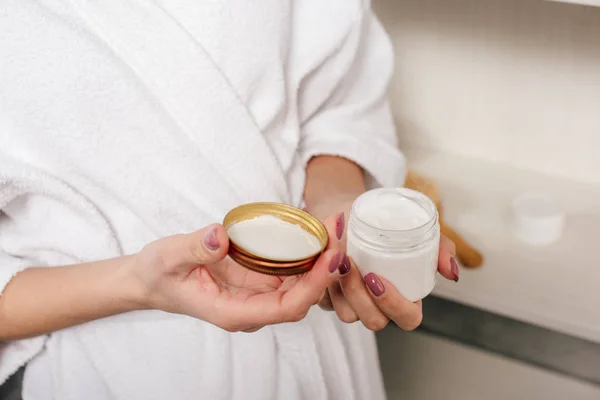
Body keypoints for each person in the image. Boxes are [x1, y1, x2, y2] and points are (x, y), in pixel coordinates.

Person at [0, 1, 459, 399]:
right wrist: (138, 283)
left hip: (317, 345)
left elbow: (337, 102)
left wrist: (337, 210)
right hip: (117, 373)